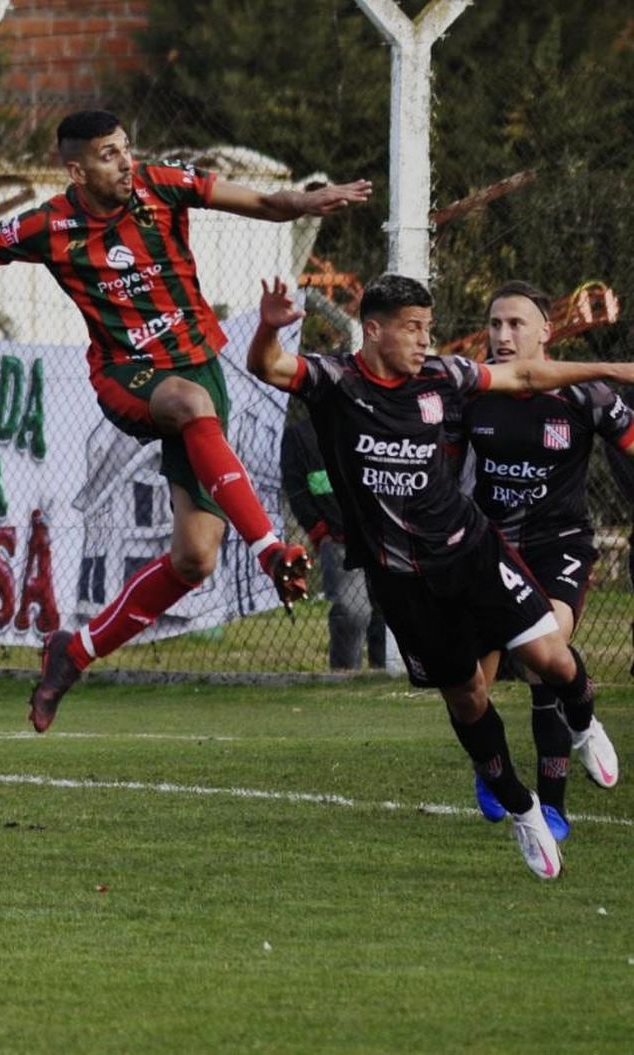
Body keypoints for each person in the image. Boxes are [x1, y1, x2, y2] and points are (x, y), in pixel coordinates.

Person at [0, 109, 372, 732]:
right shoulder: (47, 224)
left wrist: (307, 201)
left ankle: (72, 652)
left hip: (198, 370)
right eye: (109, 154)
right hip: (128, 376)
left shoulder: (161, 185)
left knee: (194, 560)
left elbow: (264, 201)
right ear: (75, 168)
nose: (126, 161)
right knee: (190, 404)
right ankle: (270, 549)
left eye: (127, 147)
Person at [246, 273, 633, 879]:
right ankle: (524, 810)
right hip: (402, 581)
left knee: (551, 657)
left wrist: (613, 369)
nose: (426, 340)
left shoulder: (442, 377)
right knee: (468, 697)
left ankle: (584, 723)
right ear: (374, 330)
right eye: (413, 328)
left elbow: (527, 377)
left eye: (429, 327)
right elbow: (269, 365)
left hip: (474, 551)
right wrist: (270, 325)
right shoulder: (334, 380)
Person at [462, 280, 628, 838]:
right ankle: (492, 767)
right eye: (494, 325)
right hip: (490, 547)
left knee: (542, 654)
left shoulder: (585, 395)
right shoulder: (472, 390)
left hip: (559, 545)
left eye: (516, 324)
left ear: (545, 332)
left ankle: (553, 802)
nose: (503, 336)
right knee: (470, 684)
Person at [280, 408, 387, 671]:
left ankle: (383, 671)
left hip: (383, 536)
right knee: (352, 611)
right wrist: (320, 532)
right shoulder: (300, 436)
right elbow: (297, 490)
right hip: (339, 540)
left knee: (387, 610)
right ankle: (344, 675)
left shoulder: (373, 425)